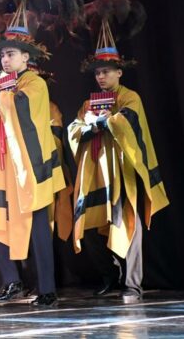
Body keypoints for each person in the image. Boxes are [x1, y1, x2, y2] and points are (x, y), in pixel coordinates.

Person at [68, 26, 169, 303]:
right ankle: (110, 275)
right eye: (98, 73)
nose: (101, 77)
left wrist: (103, 121)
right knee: (89, 228)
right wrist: (89, 124)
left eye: (106, 72)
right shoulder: (88, 104)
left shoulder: (129, 97)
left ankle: (133, 284)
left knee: (128, 224)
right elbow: (74, 129)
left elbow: (127, 122)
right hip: (97, 173)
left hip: (123, 173)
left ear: (119, 73)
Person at [0, 16, 66, 307]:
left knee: (38, 227)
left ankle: (47, 289)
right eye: (2, 54)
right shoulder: (0, 86)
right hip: (3, 170)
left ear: (26, 57)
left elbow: (22, 108)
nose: (5, 59)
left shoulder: (34, 83)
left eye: (11, 53)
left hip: (30, 169)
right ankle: (12, 280)